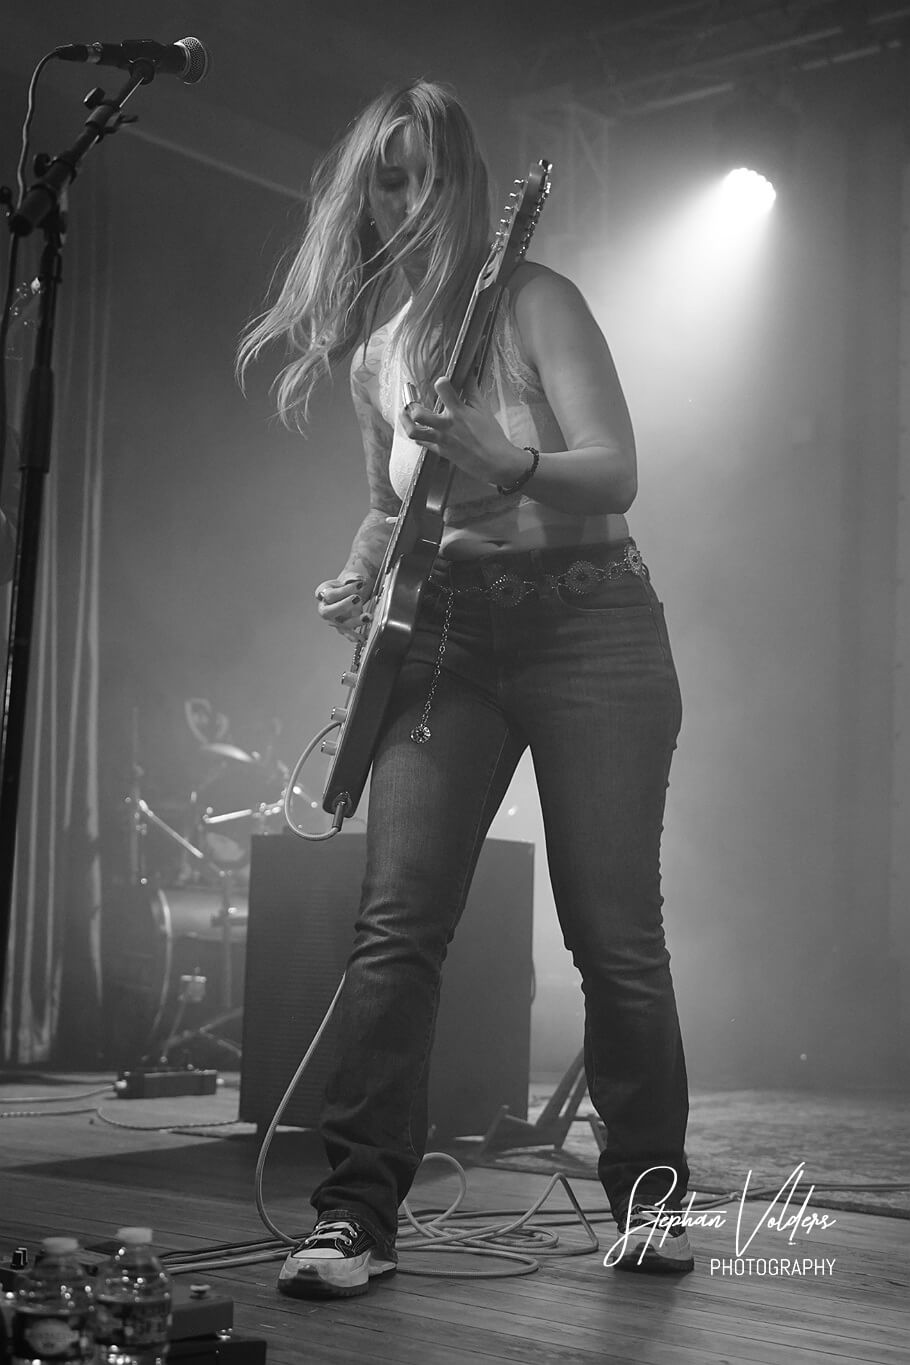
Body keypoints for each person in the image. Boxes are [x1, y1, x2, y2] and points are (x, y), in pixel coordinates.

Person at [239, 79, 692, 1297]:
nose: (404, 201)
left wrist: (511, 458)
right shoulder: (379, 353)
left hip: (590, 626)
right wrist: (356, 572)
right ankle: (354, 1219)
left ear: (470, 185)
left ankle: (650, 1204)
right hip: (444, 636)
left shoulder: (538, 301)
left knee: (614, 935)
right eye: (384, 180)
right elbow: (388, 505)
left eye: (424, 175)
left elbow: (616, 471)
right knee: (397, 926)